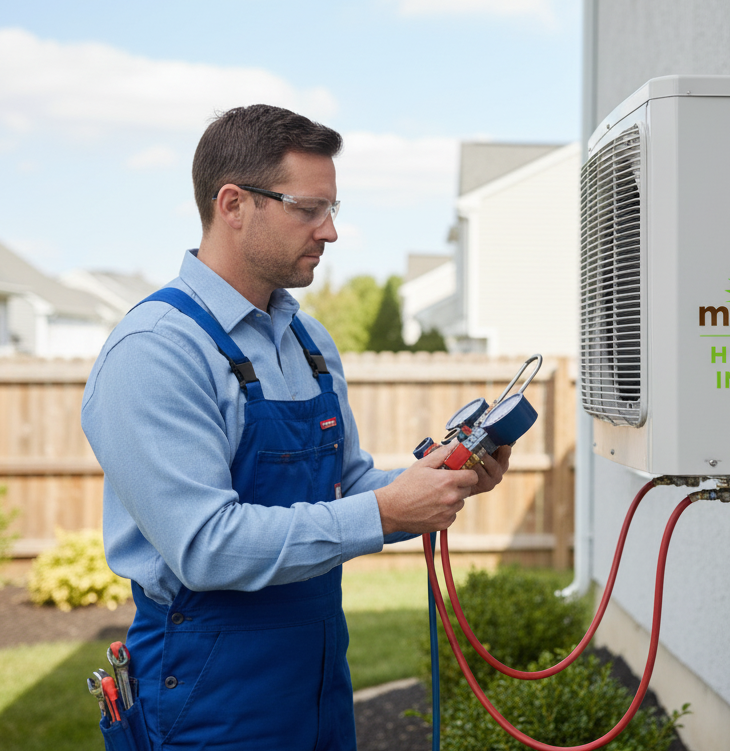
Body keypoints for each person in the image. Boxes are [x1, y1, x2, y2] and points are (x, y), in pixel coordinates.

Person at [81, 104, 510, 751]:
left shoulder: (309, 340)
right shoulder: (155, 350)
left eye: (332, 208)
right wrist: (387, 512)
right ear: (233, 204)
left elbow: (351, 483)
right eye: (309, 209)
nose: (330, 231)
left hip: (317, 683)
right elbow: (205, 544)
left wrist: (446, 479)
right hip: (207, 695)